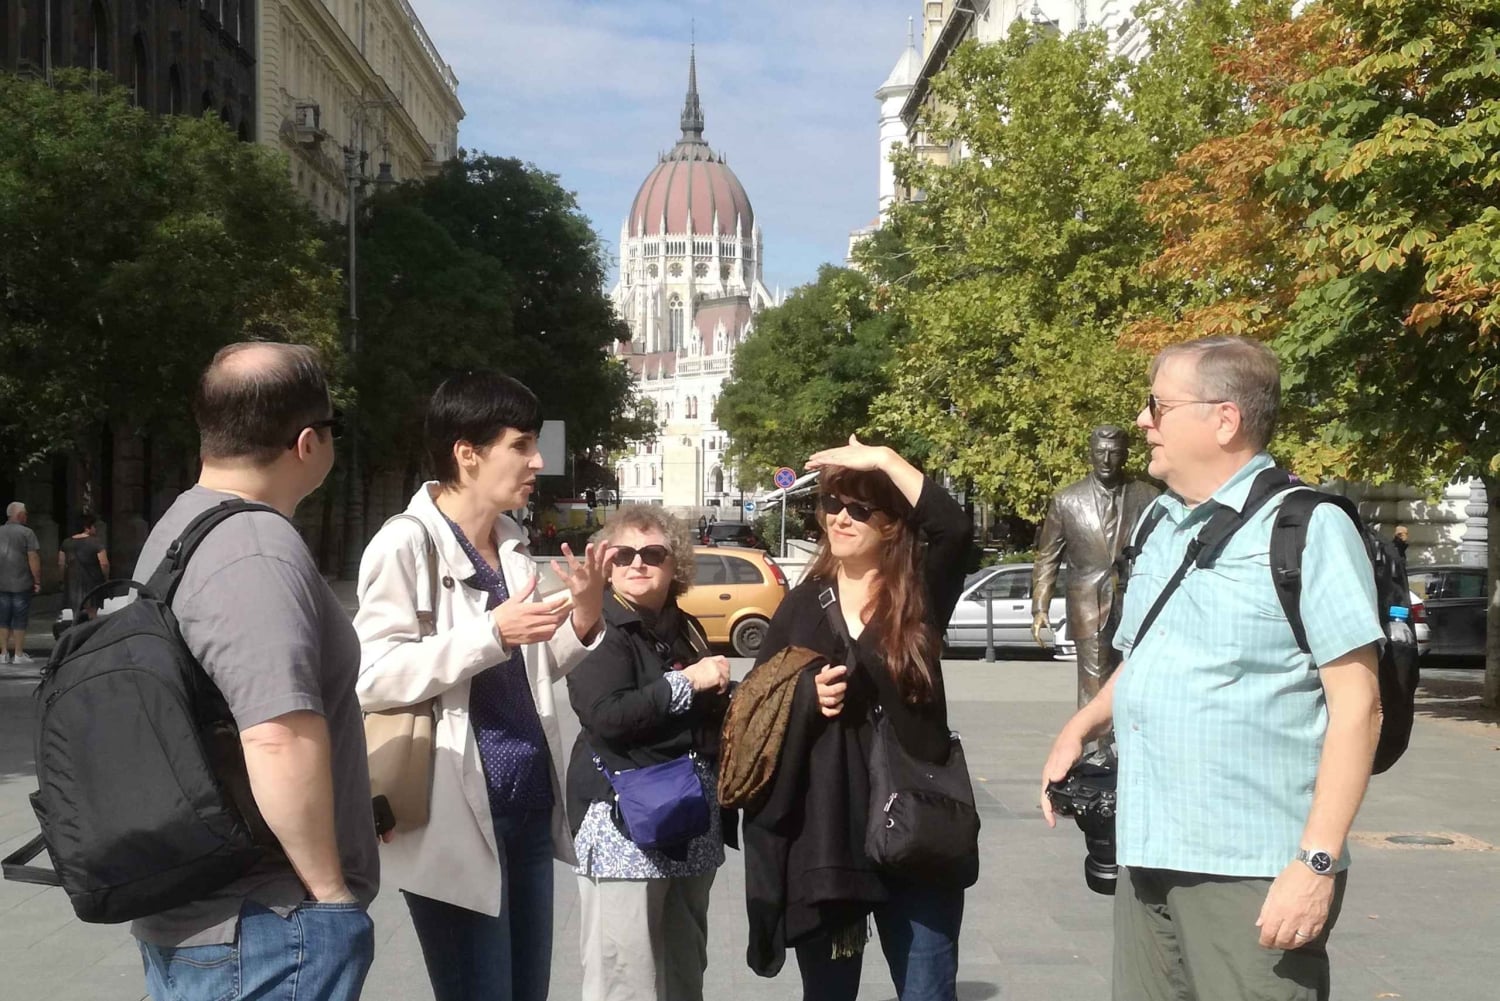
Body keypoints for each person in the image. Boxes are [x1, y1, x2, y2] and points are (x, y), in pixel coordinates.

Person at [1040, 335, 1384, 1001]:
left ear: (1223, 419)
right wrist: (1081, 724)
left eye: (1158, 404)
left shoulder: (1306, 527)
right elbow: (1144, 656)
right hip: (1149, 850)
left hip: (1252, 870)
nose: (1142, 420)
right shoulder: (1161, 525)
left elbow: (1358, 707)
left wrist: (1315, 863)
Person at [130, 342, 378, 1001]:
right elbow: (276, 735)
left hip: (212, 917)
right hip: (269, 924)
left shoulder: (179, 528)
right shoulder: (256, 548)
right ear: (308, 441)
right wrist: (330, 897)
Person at [354, 370, 613, 1001]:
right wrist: (493, 632)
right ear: (467, 454)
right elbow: (372, 676)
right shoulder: (405, 544)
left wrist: (581, 616)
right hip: (455, 815)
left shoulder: (513, 548)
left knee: (529, 991)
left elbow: (526, 669)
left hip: (526, 809)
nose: (538, 460)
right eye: (521, 444)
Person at [743, 434, 974, 1000]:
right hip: (828, 833)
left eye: (859, 508)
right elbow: (755, 698)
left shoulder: (917, 594)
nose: (840, 518)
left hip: (916, 823)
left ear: (892, 523)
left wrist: (884, 460)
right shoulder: (802, 603)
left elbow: (954, 530)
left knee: (927, 991)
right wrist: (804, 694)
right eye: (831, 505)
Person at [565, 505, 733, 1001]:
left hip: (690, 824)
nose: (638, 563)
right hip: (624, 830)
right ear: (607, 564)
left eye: (653, 554)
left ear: (674, 564)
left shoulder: (684, 626)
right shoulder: (600, 625)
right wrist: (686, 682)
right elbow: (606, 715)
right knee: (625, 980)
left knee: (684, 974)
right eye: (624, 554)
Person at [1030, 425, 1159, 708]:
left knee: (1136, 678)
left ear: (1124, 455)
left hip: (1136, 601)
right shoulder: (1067, 500)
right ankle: (1095, 751)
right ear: (1090, 454)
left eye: (1113, 453)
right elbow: (1048, 557)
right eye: (1100, 452)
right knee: (1094, 682)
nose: (1106, 460)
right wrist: (1040, 607)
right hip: (1088, 603)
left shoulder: (1148, 496)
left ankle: (1123, 746)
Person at [0, 501, 41, 665]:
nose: (27, 516)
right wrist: (37, 580)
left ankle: (3, 653)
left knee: (2, 618)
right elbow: (33, 557)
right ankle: (18, 653)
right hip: (21, 582)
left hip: (1, 583)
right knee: (19, 618)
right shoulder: (27, 533)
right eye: (25, 513)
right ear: (19, 515)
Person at [59, 513, 109, 621]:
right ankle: (92, 634)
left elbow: (61, 563)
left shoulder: (66, 543)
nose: (95, 529)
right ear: (87, 528)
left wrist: (63, 579)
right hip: (93, 581)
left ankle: (76, 633)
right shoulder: (96, 542)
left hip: (73, 582)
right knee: (92, 613)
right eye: (94, 526)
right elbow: (104, 563)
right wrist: (105, 577)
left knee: (75, 613)